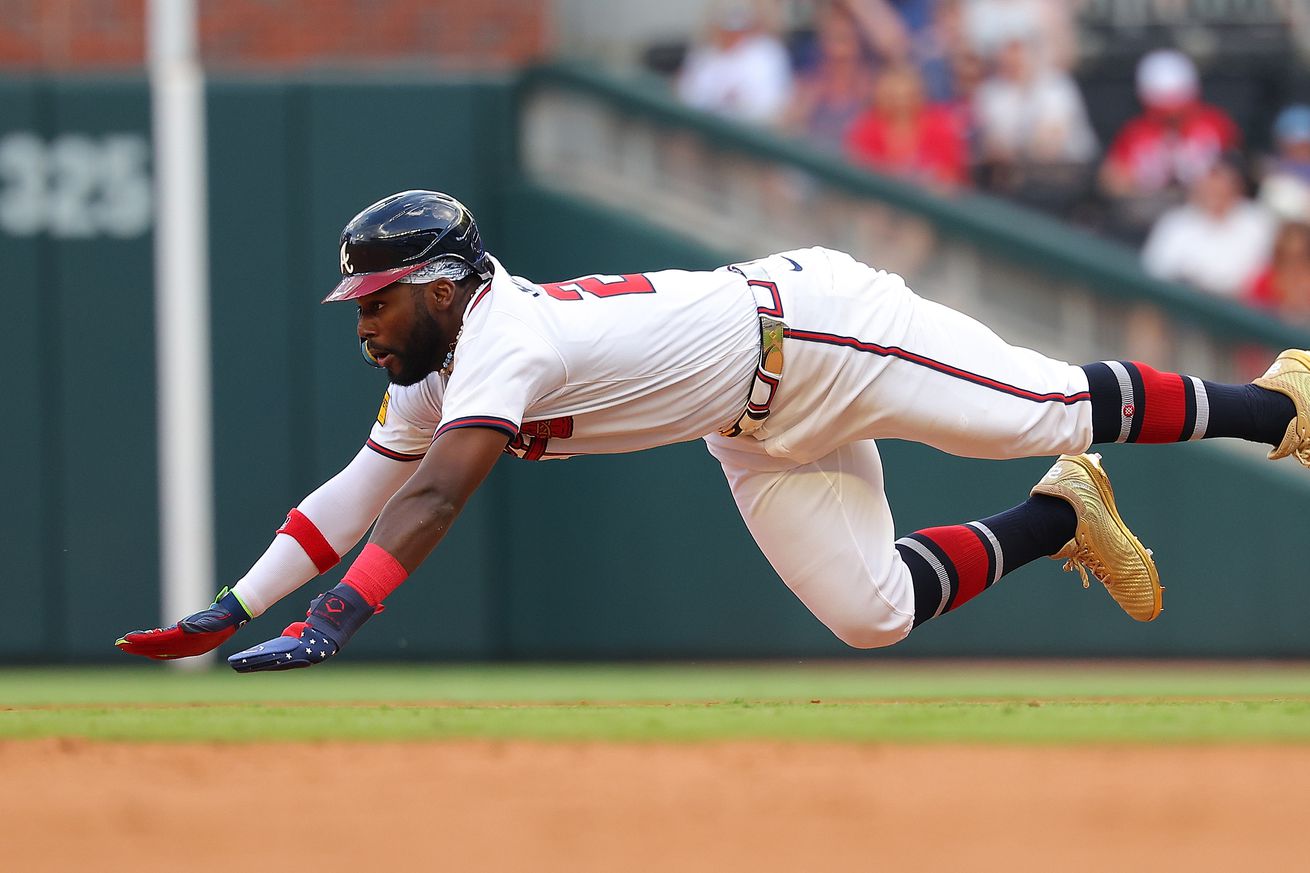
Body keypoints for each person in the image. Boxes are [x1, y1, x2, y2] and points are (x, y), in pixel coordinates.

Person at [116, 190, 1310, 671]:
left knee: (1041, 406)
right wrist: (237, 603)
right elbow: (362, 486)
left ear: (437, 284)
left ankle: (1280, 406)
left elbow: (432, 503)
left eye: (374, 300)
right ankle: (1061, 516)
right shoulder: (439, 364)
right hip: (750, 424)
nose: (363, 322)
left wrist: (334, 622)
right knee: (871, 616)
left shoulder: (503, 339)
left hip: (816, 332)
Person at [1099, 49, 1241, 242]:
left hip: (1207, 215)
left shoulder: (1215, 124)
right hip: (1150, 219)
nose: (1172, 115)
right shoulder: (1134, 132)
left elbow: (1235, 172)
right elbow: (1113, 180)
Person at [1141, 154, 1276, 299]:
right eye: (1209, 182)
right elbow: (1154, 273)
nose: (1214, 189)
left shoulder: (1258, 221)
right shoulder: (1175, 222)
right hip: (1183, 302)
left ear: (1237, 187)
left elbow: (1268, 275)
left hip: (1241, 307)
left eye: (1221, 182)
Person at [846, 62, 968, 189]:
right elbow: (857, 175)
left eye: (907, 96)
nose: (901, 103)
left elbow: (951, 178)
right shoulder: (865, 129)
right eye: (893, 97)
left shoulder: (940, 127)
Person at [675, 0, 793, 126]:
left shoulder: (767, 53)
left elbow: (772, 107)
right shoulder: (703, 57)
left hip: (750, 134)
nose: (732, 33)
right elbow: (686, 101)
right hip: (705, 132)